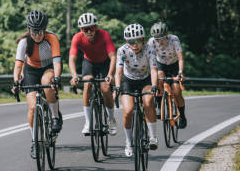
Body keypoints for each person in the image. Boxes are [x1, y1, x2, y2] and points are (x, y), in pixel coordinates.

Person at [11, 10, 63, 159]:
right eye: (34, 31)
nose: (37, 35)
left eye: (40, 31)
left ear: (44, 29)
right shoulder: (24, 42)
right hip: (31, 70)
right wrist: (16, 81)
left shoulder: (52, 38)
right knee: (33, 107)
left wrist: (57, 78)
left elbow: (57, 62)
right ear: (29, 29)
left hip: (49, 68)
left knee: (47, 82)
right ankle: (35, 142)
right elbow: (18, 65)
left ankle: (55, 117)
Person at [114, 23, 159, 157]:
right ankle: (129, 141)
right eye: (131, 41)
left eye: (138, 41)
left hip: (145, 80)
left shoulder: (149, 49)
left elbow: (154, 70)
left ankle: (152, 137)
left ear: (143, 40)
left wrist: (155, 85)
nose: (135, 44)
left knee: (148, 101)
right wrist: (117, 87)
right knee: (128, 111)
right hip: (128, 81)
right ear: (127, 41)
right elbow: (119, 71)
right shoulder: (122, 50)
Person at [69, 12, 117, 136]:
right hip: (89, 62)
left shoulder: (104, 35)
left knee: (106, 89)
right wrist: (74, 75)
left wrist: (111, 74)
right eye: (86, 29)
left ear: (95, 27)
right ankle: (88, 123)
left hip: (104, 63)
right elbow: (72, 59)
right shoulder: (77, 38)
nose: (89, 32)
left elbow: (113, 56)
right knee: (87, 85)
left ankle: (111, 119)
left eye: (92, 28)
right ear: (81, 30)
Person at [147, 22, 187, 128]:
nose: (159, 42)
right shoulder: (151, 42)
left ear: (167, 35)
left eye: (162, 39)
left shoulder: (174, 39)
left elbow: (180, 58)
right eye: (157, 39)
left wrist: (180, 72)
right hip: (160, 64)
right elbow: (148, 59)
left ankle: (182, 115)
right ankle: (160, 106)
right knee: (159, 80)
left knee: (177, 91)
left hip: (174, 65)